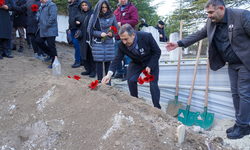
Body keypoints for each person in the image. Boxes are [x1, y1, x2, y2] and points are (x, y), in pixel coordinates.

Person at [166, 0, 250, 139]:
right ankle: (242, 125)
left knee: (244, 94)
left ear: (221, 8)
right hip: (232, 63)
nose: (209, 16)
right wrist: (179, 43)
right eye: (207, 13)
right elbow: (199, 34)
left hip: (246, 63)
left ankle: (241, 126)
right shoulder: (211, 22)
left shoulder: (241, 16)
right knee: (235, 94)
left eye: (211, 12)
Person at [102, 24, 161, 109]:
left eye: (126, 39)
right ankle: (135, 104)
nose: (124, 42)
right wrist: (109, 75)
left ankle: (157, 108)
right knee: (131, 79)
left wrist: (150, 66)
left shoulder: (146, 37)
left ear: (133, 35)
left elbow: (157, 52)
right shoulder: (121, 45)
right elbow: (117, 60)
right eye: (122, 39)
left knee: (153, 84)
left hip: (151, 61)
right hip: (136, 62)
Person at [87, 0, 119, 79]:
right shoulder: (94, 16)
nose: (104, 9)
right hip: (97, 42)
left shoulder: (112, 16)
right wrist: (100, 34)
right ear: (99, 8)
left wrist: (112, 34)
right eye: (102, 8)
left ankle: (108, 82)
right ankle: (100, 81)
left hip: (108, 42)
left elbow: (116, 29)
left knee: (108, 62)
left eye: (106, 7)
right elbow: (89, 30)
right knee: (99, 61)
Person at [113, 0, 138, 81]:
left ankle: (127, 73)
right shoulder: (116, 11)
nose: (122, 0)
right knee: (116, 55)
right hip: (118, 37)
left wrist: (122, 23)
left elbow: (135, 21)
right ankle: (119, 72)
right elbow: (113, 23)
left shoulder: (132, 9)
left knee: (127, 56)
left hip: (128, 37)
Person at [75, 0, 96, 77]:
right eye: (83, 5)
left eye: (86, 5)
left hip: (91, 36)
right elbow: (75, 24)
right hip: (82, 36)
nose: (84, 7)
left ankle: (93, 70)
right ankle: (88, 69)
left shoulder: (93, 13)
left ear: (89, 5)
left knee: (91, 53)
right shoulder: (79, 14)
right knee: (84, 53)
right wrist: (76, 23)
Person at [35, 0, 58, 68]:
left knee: (51, 45)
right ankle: (51, 54)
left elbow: (52, 17)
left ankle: (54, 62)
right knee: (38, 41)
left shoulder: (51, 5)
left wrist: (46, 25)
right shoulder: (41, 5)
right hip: (42, 29)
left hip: (50, 29)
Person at [68, 0, 83, 68]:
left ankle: (77, 61)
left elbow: (84, 14)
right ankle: (81, 60)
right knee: (75, 44)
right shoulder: (70, 5)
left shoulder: (80, 3)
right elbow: (70, 17)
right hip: (72, 28)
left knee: (76, 44)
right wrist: (69, 28)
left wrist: (80, 22)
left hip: (78, 28)